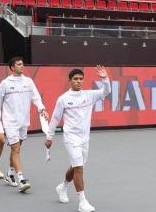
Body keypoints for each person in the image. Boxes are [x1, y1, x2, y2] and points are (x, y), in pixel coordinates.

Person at [45, 66, 111, 212]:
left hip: (85, 139)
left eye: (81, 79)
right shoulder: (63, 99)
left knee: (76, 167)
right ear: (70, 81)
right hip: (70, 138)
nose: (79, 81)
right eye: (75, 79)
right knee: (79, 168)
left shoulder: (89, 95)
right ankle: (82, 202)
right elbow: (55, 118)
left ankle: (62, 187)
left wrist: (105, 78)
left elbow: (106, 91)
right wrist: (49, 137)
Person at [0, 57, 49, 193]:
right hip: (10, 122)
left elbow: (36, 97)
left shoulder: (28, 81)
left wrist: (42, 109)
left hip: (24, 121)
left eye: (22, 64)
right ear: (12, 67)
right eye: (19, 64)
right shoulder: (5, 83)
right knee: (16, 149)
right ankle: (21, 179)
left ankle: (10, 173)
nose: (22, 66)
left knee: (16, 149)